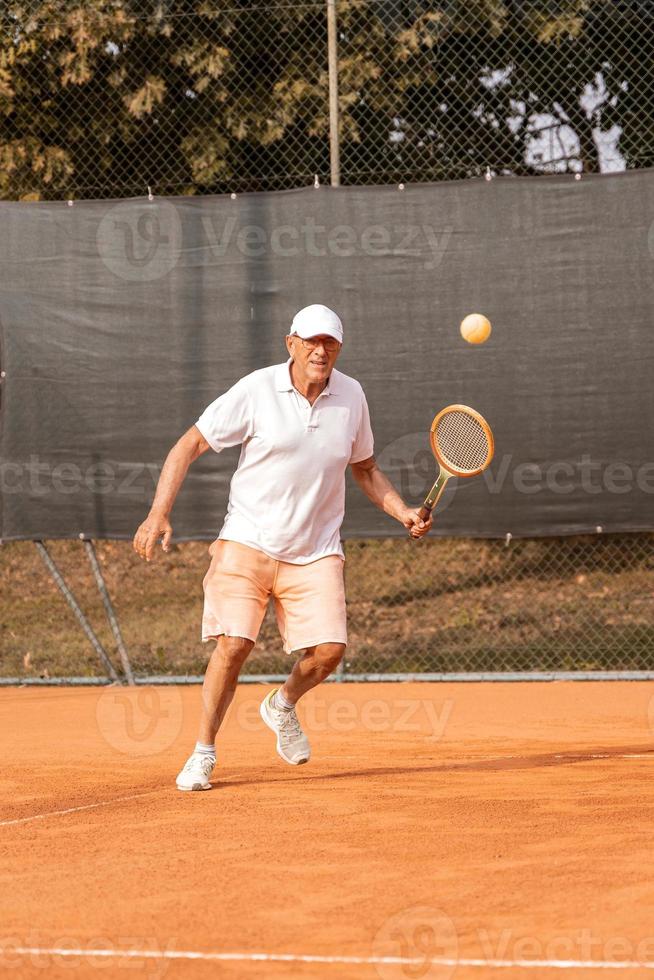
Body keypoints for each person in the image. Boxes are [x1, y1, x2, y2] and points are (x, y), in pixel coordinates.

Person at [132, 304, 432, 791]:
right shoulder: (256, 389)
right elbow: (189, 444)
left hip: (315, 549)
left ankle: (282, 704)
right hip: (247, 541)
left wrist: (401, 511)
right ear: (290, 343)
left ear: (339, 348)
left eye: (330, 343)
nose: (320, 351)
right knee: (234, 644)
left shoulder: (352, 396)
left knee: (330, 652)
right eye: (311, 341)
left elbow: (366, 468)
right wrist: (157, 512)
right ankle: (203, 753)